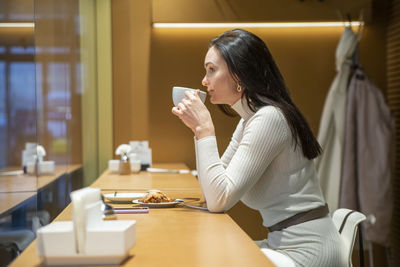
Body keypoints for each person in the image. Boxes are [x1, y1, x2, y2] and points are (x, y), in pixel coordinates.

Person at [171, 29, 344, 267]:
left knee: (207, 259)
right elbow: (212, 185)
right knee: (201, 252)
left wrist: (204, 130)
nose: (204, 80)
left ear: (239, 74)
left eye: (211, 69)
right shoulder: (250, 120)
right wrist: (198, 130)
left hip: (309, 252)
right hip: (281, 244)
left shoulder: (269, 119)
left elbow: (218, 199)